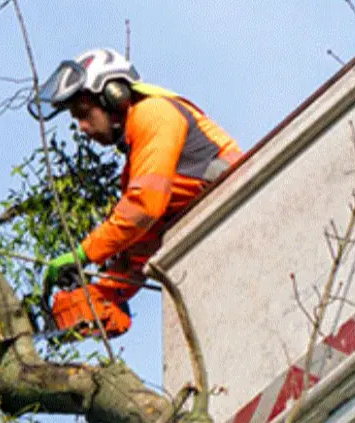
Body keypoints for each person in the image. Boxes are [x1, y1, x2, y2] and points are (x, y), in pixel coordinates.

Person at [30, 48, 244, 340]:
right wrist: (97, 296)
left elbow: (143, 207)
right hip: (217, 234)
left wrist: (83, 253)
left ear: (113, 95)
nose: (81, 127)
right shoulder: (136, 167)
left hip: (242, 208)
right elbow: (142, 248)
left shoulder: (153, 113)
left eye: (84, 114)